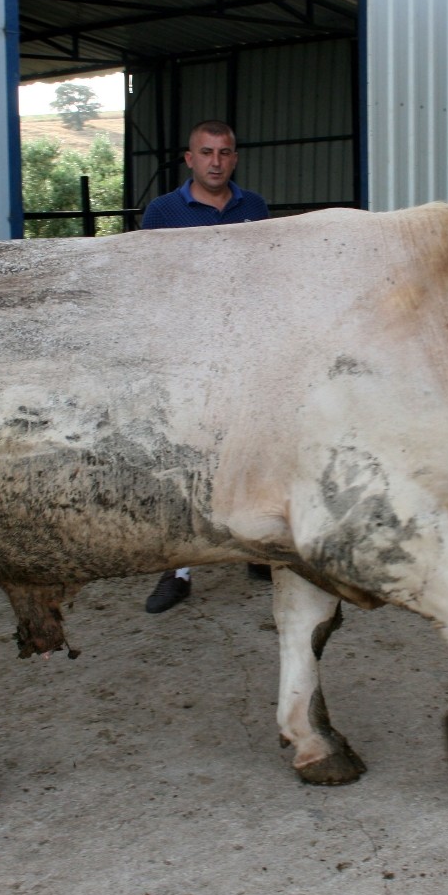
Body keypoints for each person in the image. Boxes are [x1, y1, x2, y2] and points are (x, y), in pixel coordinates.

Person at [139, 119, 278, 613]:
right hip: (187, 355)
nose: (216, 161)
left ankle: (258, 549)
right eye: (207, 152)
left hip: (247, 353)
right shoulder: (163, 212)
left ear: (234, 158)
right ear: (189, 159)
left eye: (224, 152)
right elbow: (150, 282)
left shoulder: (255, 208)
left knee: (253, 452)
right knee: (184, 458)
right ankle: (176, 570)